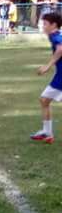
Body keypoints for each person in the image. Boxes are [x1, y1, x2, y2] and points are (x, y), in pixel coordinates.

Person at [31, 13, 62, 144]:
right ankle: (47, 133)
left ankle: (47, 133)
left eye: (45, 24)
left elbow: (61, 49)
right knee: (44, 100)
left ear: (53, 25)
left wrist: (47, 66)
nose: (43, 26)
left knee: (44, 100)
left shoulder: (56, 36)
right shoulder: (53, 36)